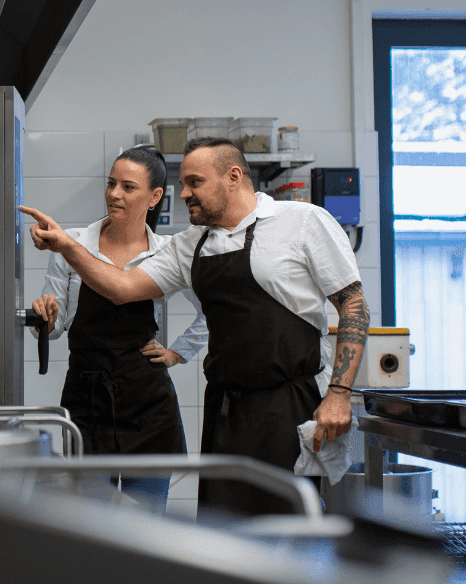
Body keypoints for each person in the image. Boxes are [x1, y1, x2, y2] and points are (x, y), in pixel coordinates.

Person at [21, 137, 369, 517]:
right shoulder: (191, 245)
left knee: (284, 526)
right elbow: (121, 288)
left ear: (233, 177)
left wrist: (338, 394)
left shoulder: (301, 221)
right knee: (222, 527)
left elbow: (353, 305)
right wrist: (67, 246)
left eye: (194, 182)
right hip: (224, 407)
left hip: (288, 404)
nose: (184, 193)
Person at [29, 147, 208, 514]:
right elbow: (57, 325)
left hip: (146, 401)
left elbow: (213, 310)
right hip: (87, 395)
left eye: (128, 187)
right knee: (93, 521)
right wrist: (44, 316)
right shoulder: (72, 243)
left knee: (146, 525)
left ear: (155, 196)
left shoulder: (168, 252)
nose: (114, 194)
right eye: (111, 184)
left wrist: (177, 352)